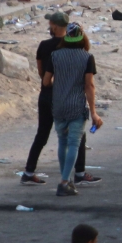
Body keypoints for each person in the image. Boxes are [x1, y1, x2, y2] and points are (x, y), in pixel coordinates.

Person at [21, 11, 94, 186]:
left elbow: (41, 73)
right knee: (77, 136)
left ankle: (29, 171)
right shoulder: (74, 49)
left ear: (55, 25)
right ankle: (79, 173)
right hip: (68, 97)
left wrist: (51, 83)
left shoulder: (45, 46)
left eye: (50, 23)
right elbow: (84, 73)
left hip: (47, 95)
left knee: (43, 134)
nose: (49, 26)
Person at [44, 23, 103, 197]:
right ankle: (64, 182)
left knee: (62, 142)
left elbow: (46, 82)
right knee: (74, 143)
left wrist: (61, 86)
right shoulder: (87, 57)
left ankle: (66, 179)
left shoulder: (55, 56)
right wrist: (93, 112)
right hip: (77, 106)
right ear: (82, 37)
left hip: (59, 105)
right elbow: (89, 85)